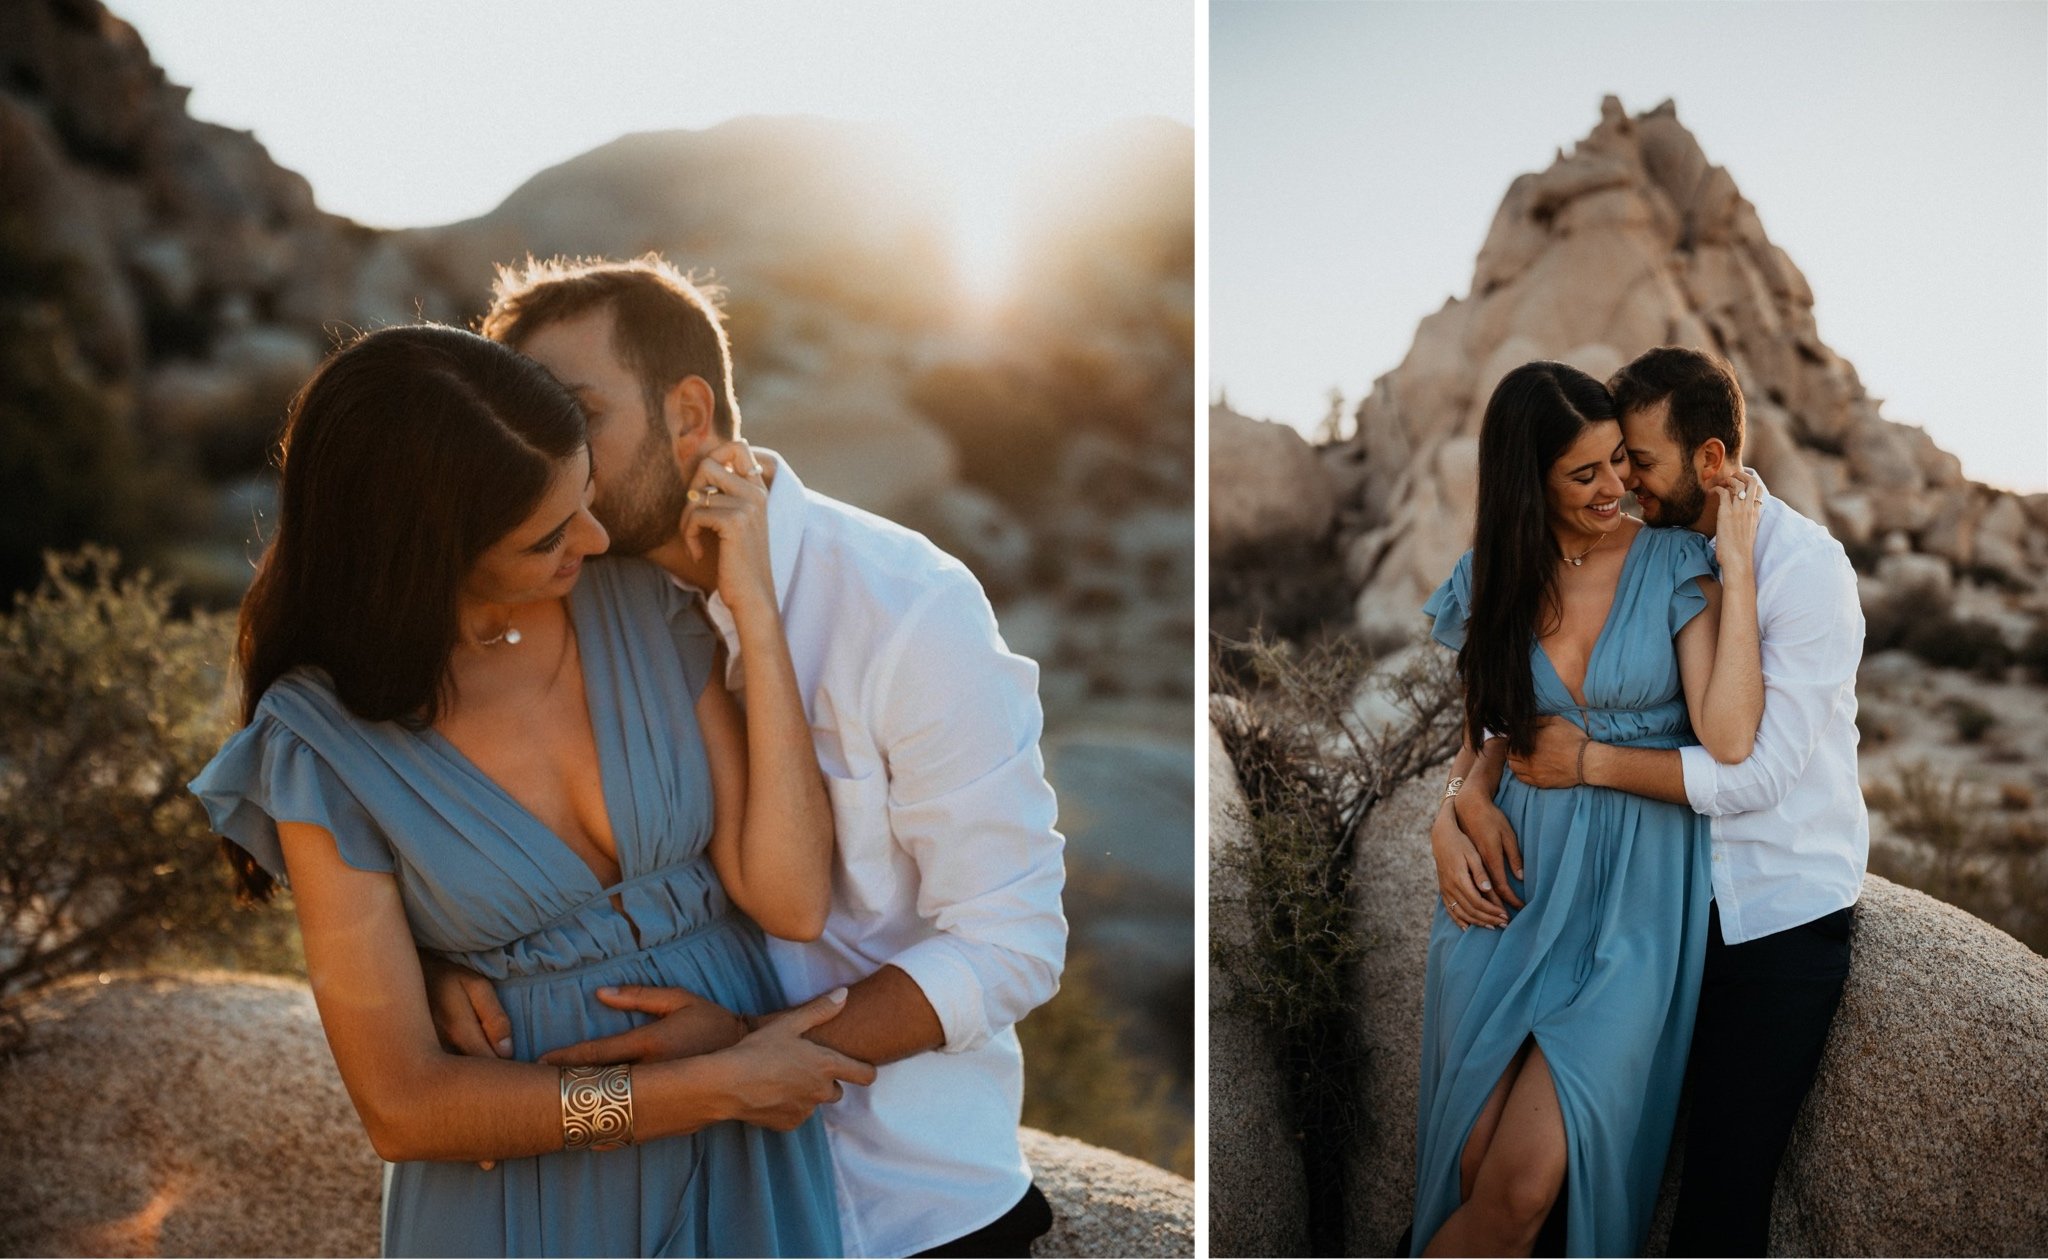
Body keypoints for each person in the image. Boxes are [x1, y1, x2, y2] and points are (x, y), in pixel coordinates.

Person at [425, 255, 1069, 1258]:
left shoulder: (904, 607)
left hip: (910, 1208)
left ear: (687, 413)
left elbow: (1010, 937)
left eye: (576, 415)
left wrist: (746, 1053)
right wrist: (433, 958)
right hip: (685, 1193)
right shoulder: (560, 603)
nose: (546, 460)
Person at [189, 324, 876, 1257]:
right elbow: (404, 1109)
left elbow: (790, 896)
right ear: (428, 555)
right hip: (525, 1210)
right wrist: (708, 1090)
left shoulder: (641, 606)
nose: (594, 540)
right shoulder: (323, 745)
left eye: (586, 498)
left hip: (746, 1172)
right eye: (549, 534)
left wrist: (750, 610)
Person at [1498, 347, 1868, 1257]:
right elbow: (1541, 689)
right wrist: (1458, 797)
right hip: (1651, 907)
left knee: (1720, 1205)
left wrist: (1590, 764)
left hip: (1777, 923)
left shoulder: (1805, 571)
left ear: (1710, 461)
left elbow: (1754, 776)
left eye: (1641, 461)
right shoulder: (1644, 552)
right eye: (1611, 460)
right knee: (1567, 1168)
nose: (1623, 482)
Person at [1414, 360, 1763, 1256]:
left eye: (1619, 461)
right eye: (1586, 474)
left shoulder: (1674, 562)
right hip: (1514, 891)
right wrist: (1449, 814)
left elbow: (1726, 737)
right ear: (1528, 485)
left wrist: (1739, 565)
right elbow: (1484, 735)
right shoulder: (1490, 576)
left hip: (1634, 907)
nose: (1618, 488)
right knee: (1472, 1161)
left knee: (1526, 1181)